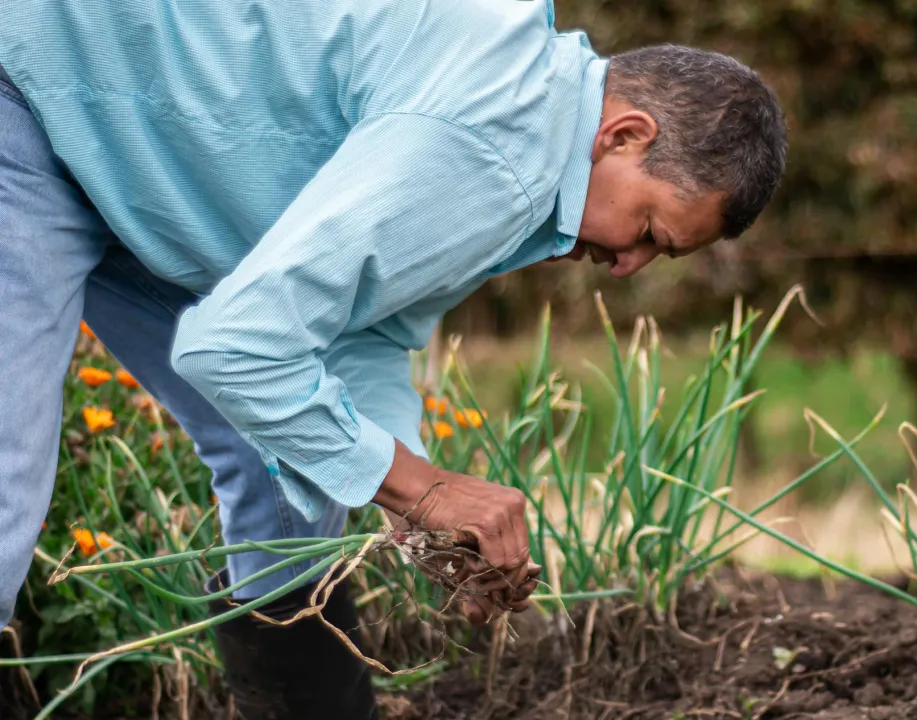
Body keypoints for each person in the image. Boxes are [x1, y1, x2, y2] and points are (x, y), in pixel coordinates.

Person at [0, 0, 786, 718]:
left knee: (294, 469)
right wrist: (428, 489)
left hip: (134, 157)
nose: (628, 267)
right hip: (32, 94)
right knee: (7, 479)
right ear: (624, 136)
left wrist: (420, 519)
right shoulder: (498, 150)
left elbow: (361, 337)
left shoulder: (531, 147)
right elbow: (234, 350)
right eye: (650, 231)